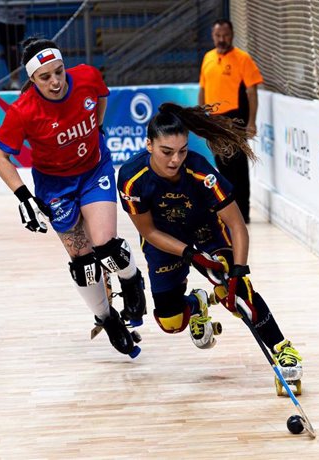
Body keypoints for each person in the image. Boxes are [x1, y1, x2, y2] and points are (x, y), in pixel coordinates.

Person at [116, 103, 302, 383]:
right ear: (149, 145)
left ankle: (282, 349)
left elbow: (237, 225)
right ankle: (198, 302)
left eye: (182, 151)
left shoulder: (202, 172)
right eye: (167, 152)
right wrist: (190, 255)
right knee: (170, 322)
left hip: (206, 234)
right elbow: (150, 232)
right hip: (164, 243)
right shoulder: (132, 179)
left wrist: (239, 272)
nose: (175, 160)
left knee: (238, 295)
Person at [0, 37, 147, 358]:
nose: (55, 81)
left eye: (59, 72)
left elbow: (101, 98)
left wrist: (98, 128)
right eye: (45, 77)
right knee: (84, 263)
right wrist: (24, 198)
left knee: (108, 246)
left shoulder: (88, 77)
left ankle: (132, 281)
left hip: (94, 171)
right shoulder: (23, 111)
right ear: (32, 80)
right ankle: (107, 319)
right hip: (55, 187)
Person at [198, 19, 263, 223]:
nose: (221, 39)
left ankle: (243, 213)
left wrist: (251, 122)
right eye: (218, 36)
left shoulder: (242, 58)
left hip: (235, 118)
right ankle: (227, 211)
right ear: (212, 36)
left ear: (232, 35)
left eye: (225, 35)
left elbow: (252, 92)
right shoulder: (208, 57)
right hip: (214, 120)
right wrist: (202, 117)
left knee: (238, 166)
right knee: (222, 165)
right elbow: (203, 89)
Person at [0, 4, 27, 90]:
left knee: (13, 47)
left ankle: (15, 80)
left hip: (17, 18)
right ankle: (13, 79)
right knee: (7, 48)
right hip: (1, 17)